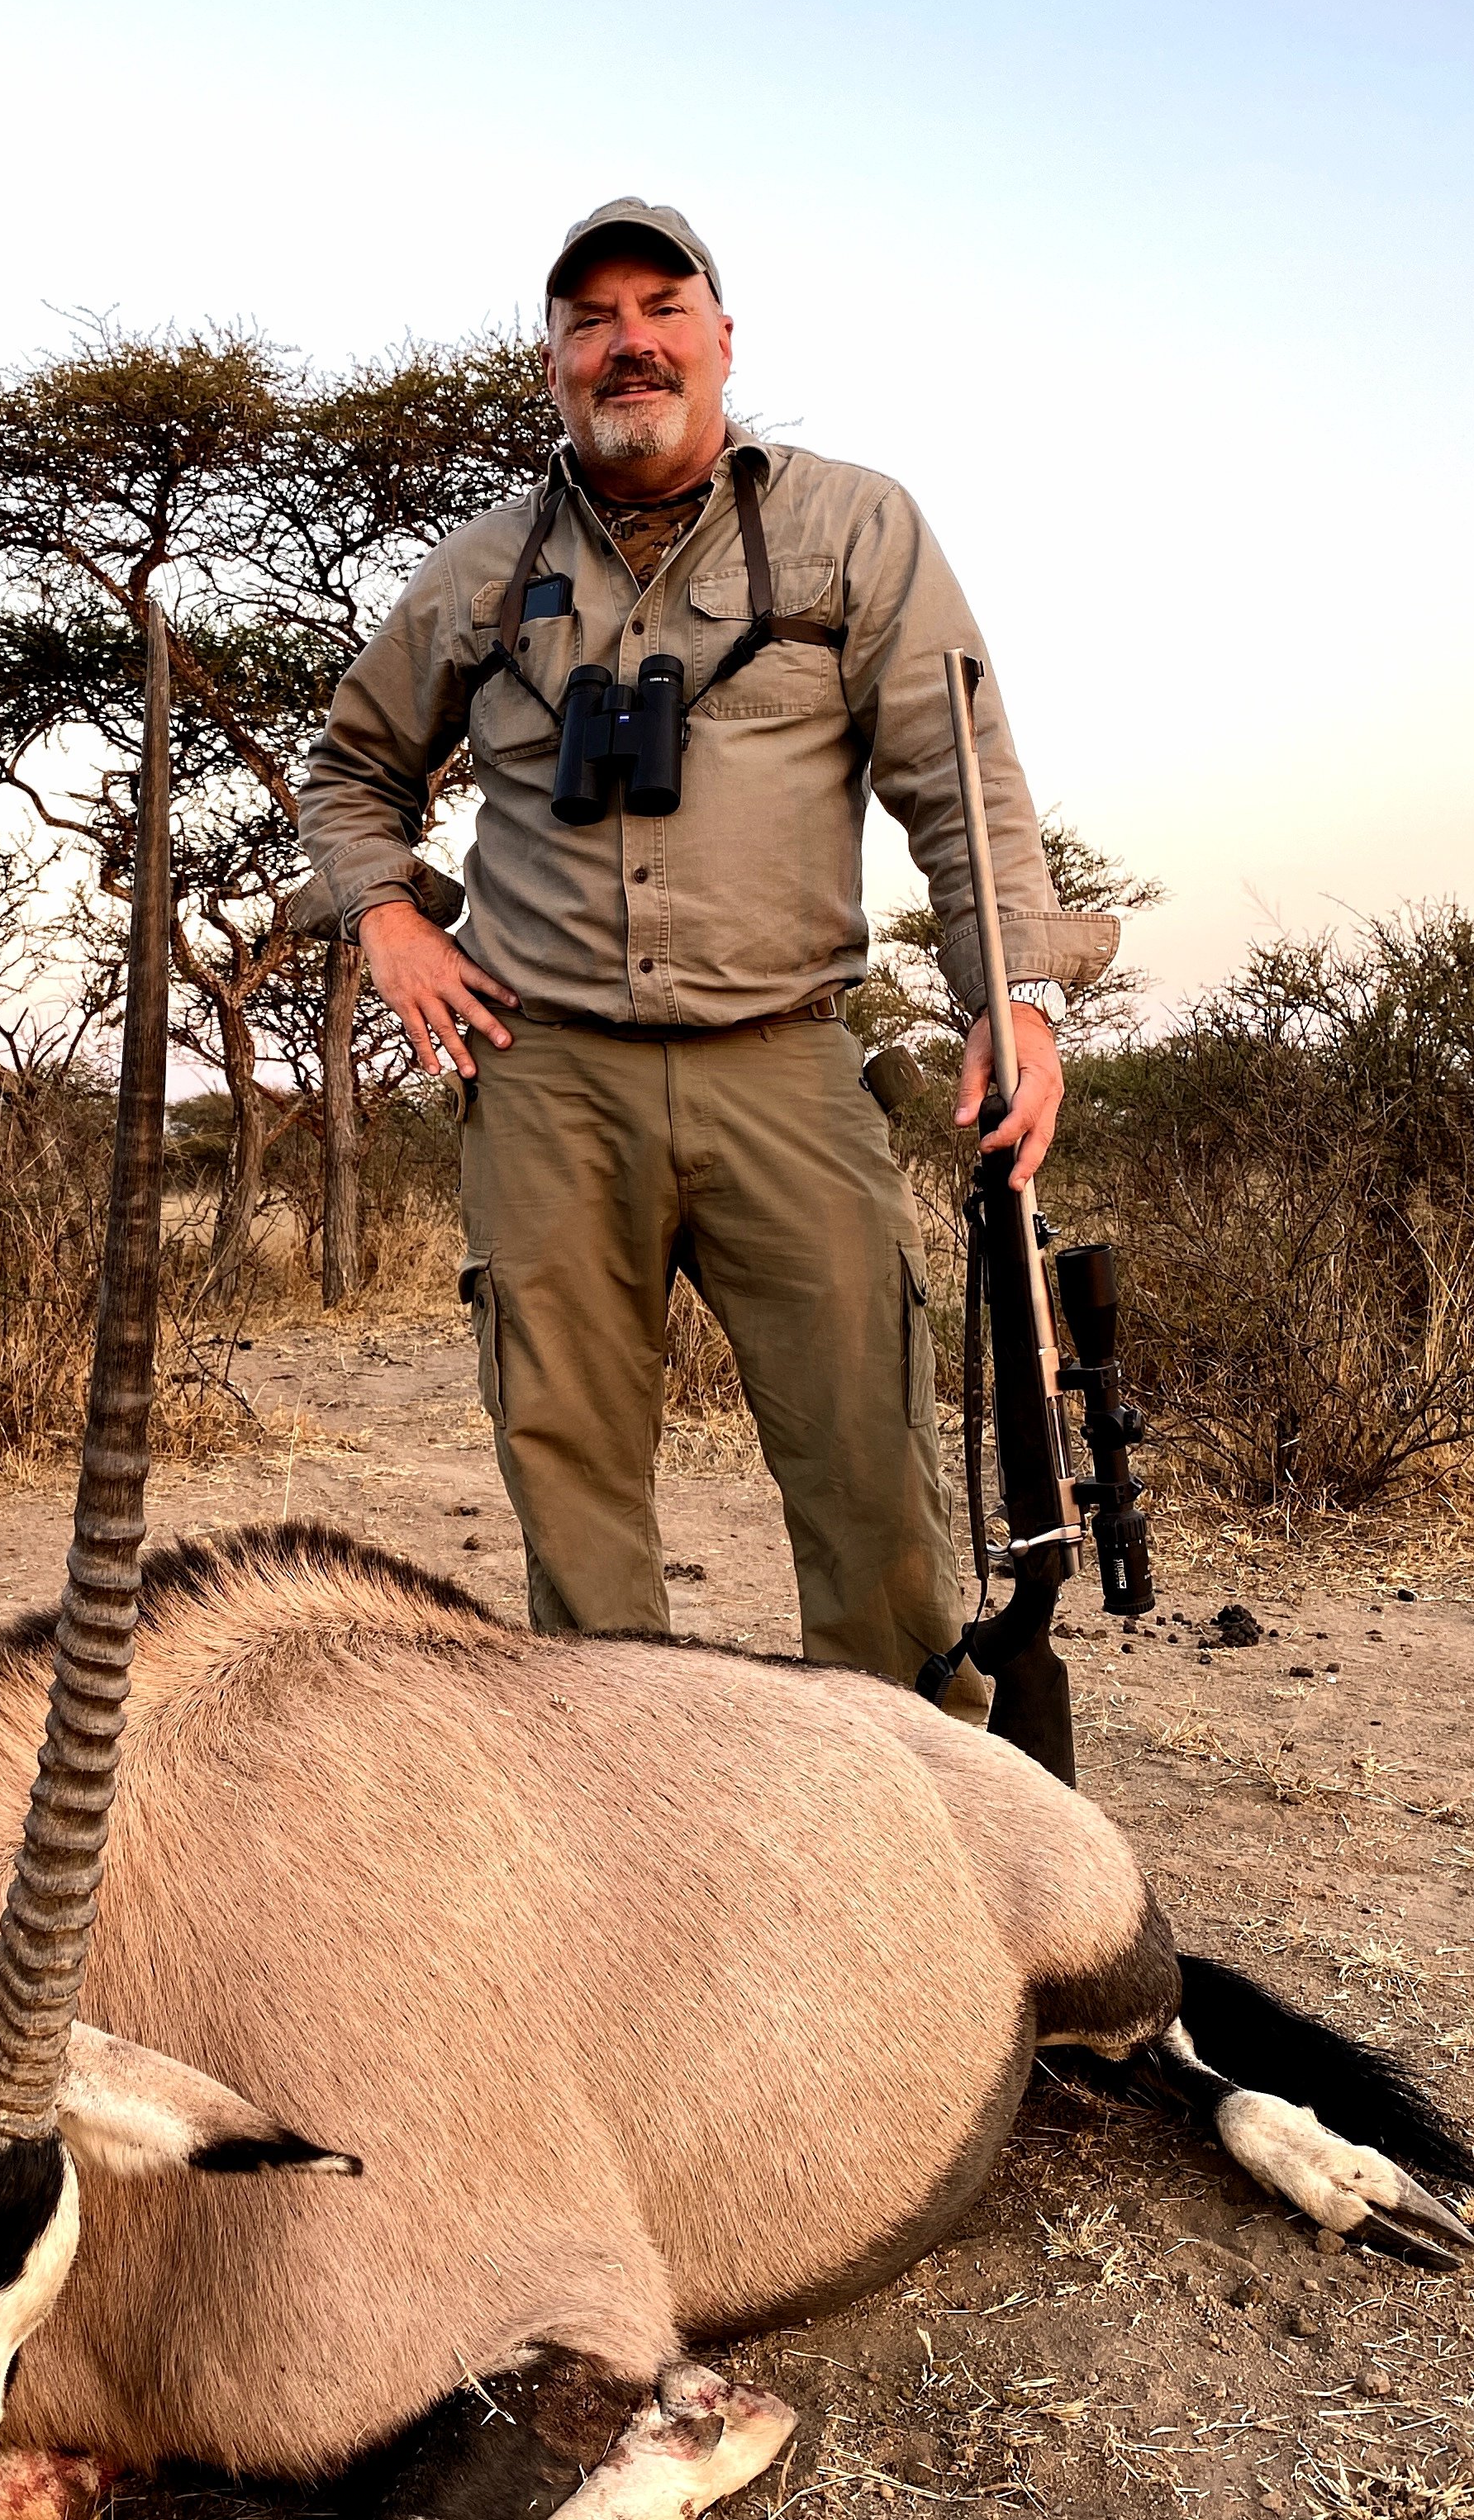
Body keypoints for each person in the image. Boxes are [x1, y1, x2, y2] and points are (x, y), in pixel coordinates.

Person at [293, 196, 1119, 1712]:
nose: (628, 345)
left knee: (873, 1476)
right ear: (549, 362)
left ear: (723, 341)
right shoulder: (478, 571)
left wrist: (1018, 995)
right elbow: (348, 772)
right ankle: (627, 1842)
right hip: (546, 1082)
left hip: (788, 1065)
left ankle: (908, 1826)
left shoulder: (854, 526)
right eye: (589, 321)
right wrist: (394, 920)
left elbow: (960, 770)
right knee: (573, 1490)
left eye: (660, 310)